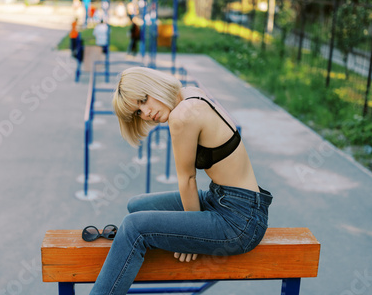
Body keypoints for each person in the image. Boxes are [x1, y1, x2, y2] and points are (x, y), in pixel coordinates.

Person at [90, 67, 272, 294]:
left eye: (144, 100)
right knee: (136, 205)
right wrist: (188, 233)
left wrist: (189, 238)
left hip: (240, 221)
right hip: (225, 200)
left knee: (133, 227)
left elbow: (187, 179)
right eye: (138, 112)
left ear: (153, 84)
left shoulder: (182, 116)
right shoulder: (189, 93)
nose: (146, 113)